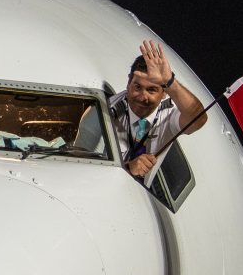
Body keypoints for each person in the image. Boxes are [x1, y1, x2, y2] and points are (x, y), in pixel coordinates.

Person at [80, 39, 208, 181]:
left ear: (164, 92)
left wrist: (170, 82)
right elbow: (84, 169)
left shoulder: (168, 113)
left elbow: (199, 119)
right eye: (137, 87)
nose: (142, 97)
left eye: (152, 90)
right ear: (129, 82)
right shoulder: (104, 114)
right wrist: (127, 169)